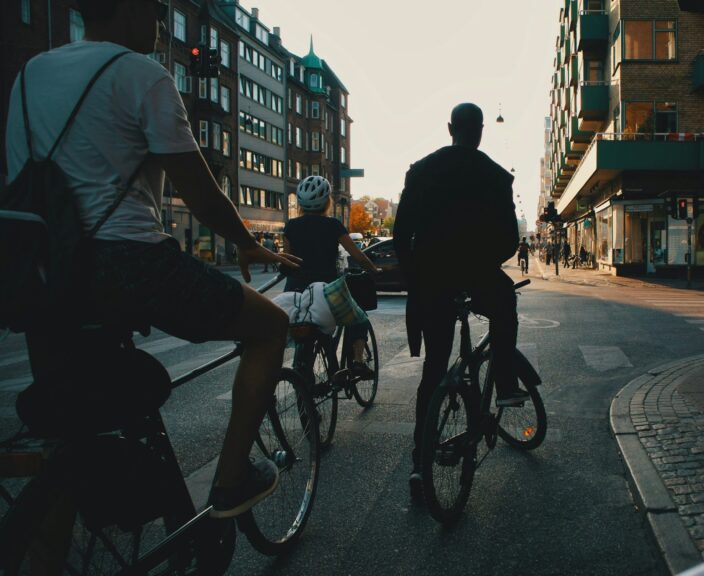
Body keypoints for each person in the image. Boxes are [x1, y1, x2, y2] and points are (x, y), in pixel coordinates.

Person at [5, 0, 302, 518]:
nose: (162, 22)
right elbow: (203, 196)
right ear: (130, 9)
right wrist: (246, 241)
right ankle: (231, 479)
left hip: (46, 276)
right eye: (157, 9)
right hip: (130, 264)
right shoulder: (143, 75)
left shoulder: (30, 76)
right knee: (271, 327)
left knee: (65, 431)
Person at [394, 102, 530, 502]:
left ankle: (420, 462)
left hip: (432, 278)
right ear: (481, 131)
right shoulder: (495, 175)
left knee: (435, 369)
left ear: (450, 128)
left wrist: (415, 276)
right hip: (477, 273)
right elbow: (509, 238)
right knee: (504, 306)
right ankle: (504, 380)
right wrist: (481, 262)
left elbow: (402, 234)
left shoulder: (420, 171)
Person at [281, 175, 379, 370]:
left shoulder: (291, 226)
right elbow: (357, 255)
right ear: (327, 201)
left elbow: (287, 258)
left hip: (296, 290)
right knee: (358, 319)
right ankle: (358, 362)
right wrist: (374, 269)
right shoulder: (333, 225)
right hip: (327, 290)